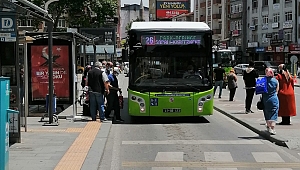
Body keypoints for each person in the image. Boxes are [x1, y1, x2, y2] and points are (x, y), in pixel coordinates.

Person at [262, 68, 279, 135]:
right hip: (274, 99)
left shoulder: (263, 80)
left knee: (267, 113)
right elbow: (277, 91)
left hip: (265, 99)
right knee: (274, 113)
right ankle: (272, 128)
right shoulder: (275, 81)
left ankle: (268, 127)